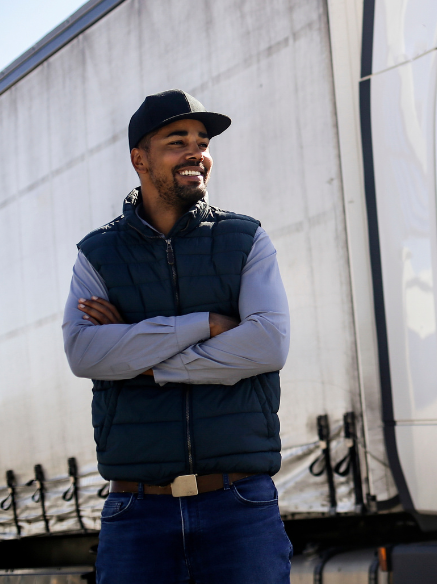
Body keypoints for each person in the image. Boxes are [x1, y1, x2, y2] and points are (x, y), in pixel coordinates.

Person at [62, 89, 292, 583]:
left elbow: (268, 342)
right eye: (177, 141)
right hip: (136, 510)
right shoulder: (97, 253)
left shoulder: (246, 238)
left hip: (240, 505)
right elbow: (84, 352)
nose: (196, 152)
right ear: (139, 159)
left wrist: (139, 355)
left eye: (202, 141)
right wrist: (204, 325)